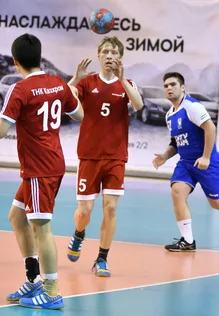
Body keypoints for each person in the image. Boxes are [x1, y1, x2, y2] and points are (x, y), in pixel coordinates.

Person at [0, 33, 83, 309]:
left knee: (42, 228)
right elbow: (80, 115)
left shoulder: (20, 90)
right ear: (39, 57)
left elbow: (2, 131)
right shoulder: (57, 83)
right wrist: (68, 93)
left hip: (41, 167)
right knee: (17, 217)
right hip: (43, 165)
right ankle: (33, 280)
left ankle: (52, 291)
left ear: (16, 62)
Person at [152, 72, 219, 251]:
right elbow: (176, 142)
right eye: (166, 86)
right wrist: (164, 156)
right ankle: (187, 241)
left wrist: (206, 157)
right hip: (186, 163)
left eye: (173, 84)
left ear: (182, 87)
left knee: (218, 204)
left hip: (206, 161)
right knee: (177, 191)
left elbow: (210, 127)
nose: (169, 88)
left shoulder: (192, 106)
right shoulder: (169, 115)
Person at [65, 37, 143, 277]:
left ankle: (101, 259)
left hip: (115, 157)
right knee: (84, 212)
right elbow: (64, 100)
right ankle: (79, 233)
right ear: (98, 56)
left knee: (110, 209)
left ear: (120, 58)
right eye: (106, 51)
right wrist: (75, 79)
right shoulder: (87, 83)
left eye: (114, 52)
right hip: (89, 156)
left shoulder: (127, 84)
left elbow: (139, 105)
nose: (109, 55)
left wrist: (121, 79)